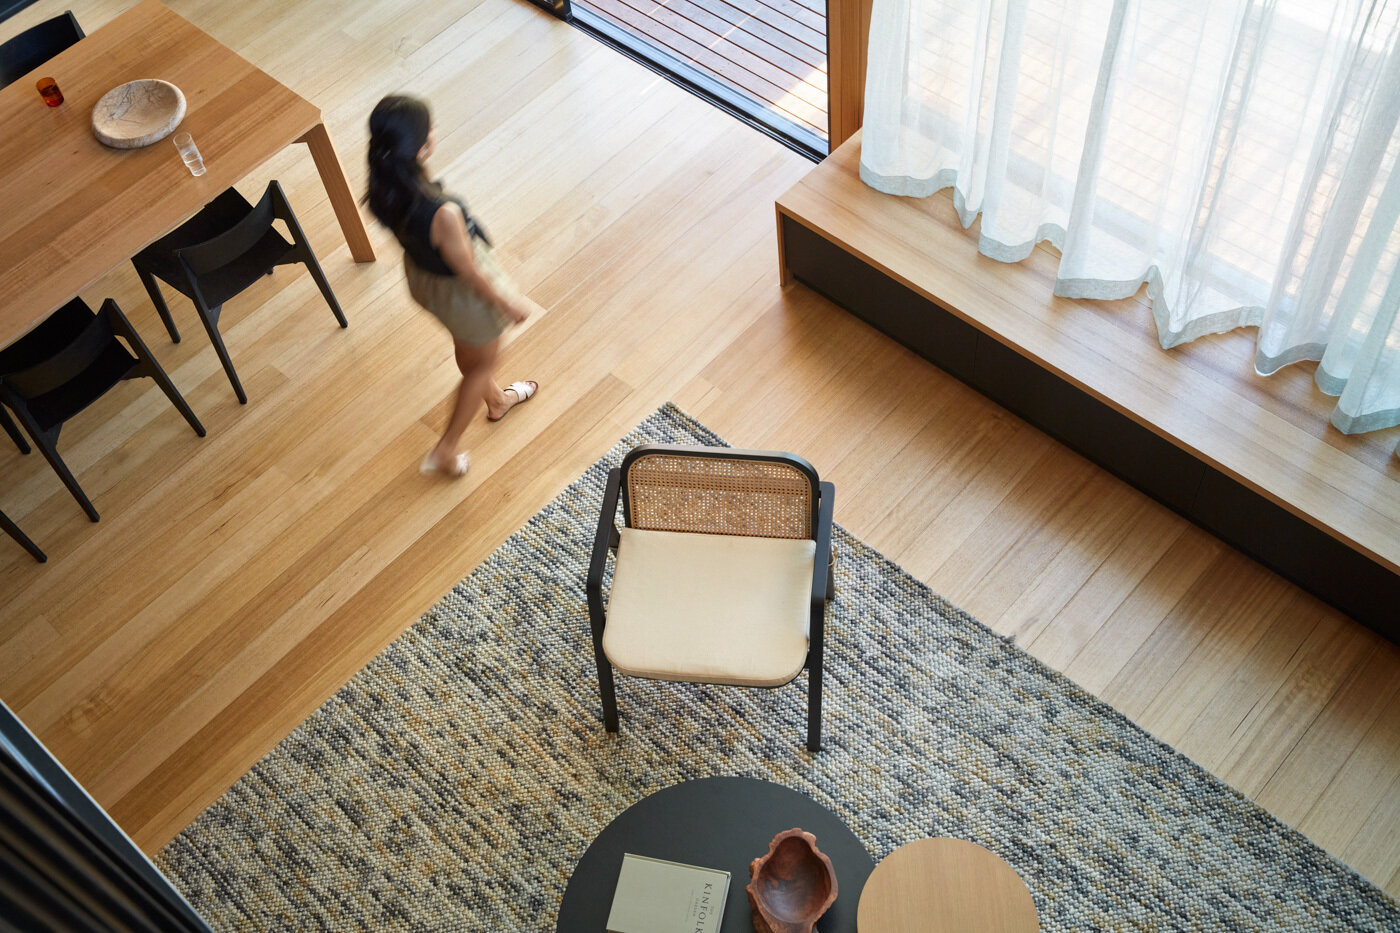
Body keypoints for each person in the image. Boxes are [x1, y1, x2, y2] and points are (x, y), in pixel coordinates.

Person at [365, 95, 539, 477]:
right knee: (484, 363)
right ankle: (445, 449)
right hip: (462, 294)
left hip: (426, 282)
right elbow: (469, 272)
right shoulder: (442, 213)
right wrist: (506, 303)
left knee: (470, 349)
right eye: (429, 129)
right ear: (422, 148)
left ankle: (496, 400)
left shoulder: (384, 183)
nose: (434, 131)